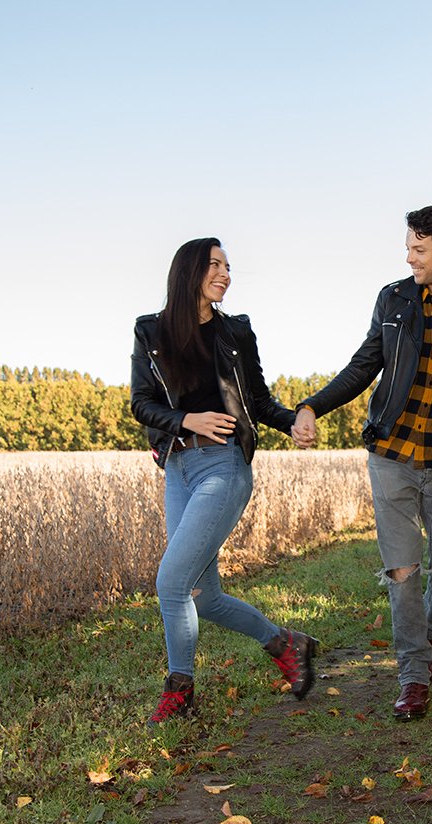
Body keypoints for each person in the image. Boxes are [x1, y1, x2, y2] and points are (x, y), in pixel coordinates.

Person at [292, 206, 432, 721]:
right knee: (403, 570)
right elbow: (363, 365)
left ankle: (431, 632)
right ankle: (412, 677)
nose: (409, 258)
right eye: (408, 248)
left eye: (419, 249)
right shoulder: (394, 299)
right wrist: (312, 406)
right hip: (391, 454)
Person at [130, 237, 319, 725]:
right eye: (215, 265)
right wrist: (185, 420)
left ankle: (180, 693)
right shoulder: (150, 331)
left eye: (228, 266)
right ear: (188, 272)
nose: (225, 274)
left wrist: (292, 422)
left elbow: (257, 400)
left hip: (223, 466)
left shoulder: (235, 331)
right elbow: (141, 404)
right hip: (179, 468)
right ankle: (287, 644)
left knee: (171, 582)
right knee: (203, 595)